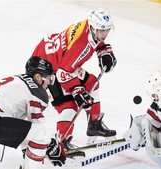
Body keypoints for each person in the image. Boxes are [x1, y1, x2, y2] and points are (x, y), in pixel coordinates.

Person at [31, 8, 117, 154]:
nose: (106, 34)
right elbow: (63, 73)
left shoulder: (88, 28)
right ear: (93, 28)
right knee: (69, 106)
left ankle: (94, 125)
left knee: (92, 82)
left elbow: (94, 42)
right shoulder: (81, 45)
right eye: (103, 31)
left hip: (58, 61)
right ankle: (61, 143)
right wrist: (77, 89)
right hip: (48, 69)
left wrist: (104, 50)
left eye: (107, 30)